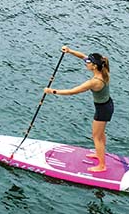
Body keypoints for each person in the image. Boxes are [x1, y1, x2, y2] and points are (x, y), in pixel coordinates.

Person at [44, 45, 113, 173]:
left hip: (103, 110)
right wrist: (69, 51)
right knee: (100, 134)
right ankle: (99, 154)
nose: (86, 63)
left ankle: (102, 165)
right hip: (107, 105)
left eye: (88, 62)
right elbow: (82, 56)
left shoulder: (94, 82)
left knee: (96, 137)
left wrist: (52, 91)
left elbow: (72, 92)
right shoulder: (104, 70)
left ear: (94, 66)